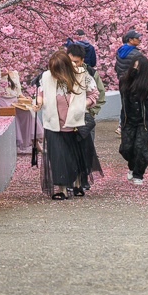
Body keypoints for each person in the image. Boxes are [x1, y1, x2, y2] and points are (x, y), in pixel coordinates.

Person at [36, 50, 101, 200]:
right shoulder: (46, 77)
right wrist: (39, 103)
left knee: (77, 156)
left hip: (76, 123)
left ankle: (78, 183)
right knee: (58, 157)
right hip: (54, 124)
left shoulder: (82, 75)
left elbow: (94, 94)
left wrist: (82, 105)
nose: (56, 73)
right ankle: (62, 189)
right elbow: (40, 93)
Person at [67, 43, 104, 191]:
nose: (73, 64)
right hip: (68, 117)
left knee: (86, 149)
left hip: (85, 116)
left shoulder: (90, 73)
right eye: (70, 60)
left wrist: (92, 111)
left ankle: (84, 177)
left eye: (76, 61)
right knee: (70, 149)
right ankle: (72, 178)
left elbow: (99, 94)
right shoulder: (63, 71)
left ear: (82, 60)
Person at [119, 58, 148, 184]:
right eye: (134, 66)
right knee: (126, 148)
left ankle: (138, 173)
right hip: (128, 118)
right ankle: (132, 165)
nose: (135, 69)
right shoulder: (124, 80)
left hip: (144, 119)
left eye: (138, 67)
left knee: (140, 147)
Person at [0, 67, 43, 155]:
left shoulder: (15, 73)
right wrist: (4, 72)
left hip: (15, 101)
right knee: (12, 118)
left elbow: (18, 92)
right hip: (3, 101)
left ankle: (35, 142)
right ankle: (16, 144)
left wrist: (26, 98)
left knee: (29, 112)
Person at [115, 29, 148, 135]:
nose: (139, 40)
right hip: (133, 82)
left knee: (124, 103)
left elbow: (117, 67)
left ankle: (122, 125)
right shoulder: (136, 54)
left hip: (122, 81)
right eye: (137, 38)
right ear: (130, 40)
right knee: (134, 105)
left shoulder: (120, 51)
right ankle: (129, 126)